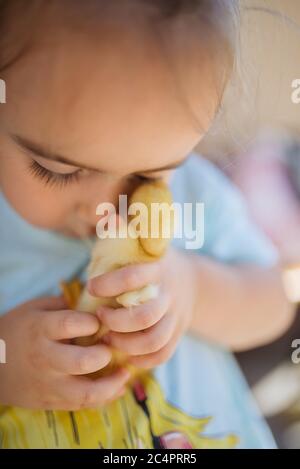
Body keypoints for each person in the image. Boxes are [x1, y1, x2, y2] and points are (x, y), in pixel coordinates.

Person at [0, 0, 294, 448]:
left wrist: (194, 289)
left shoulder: (192, 191)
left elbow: (274, 301)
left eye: (147, 175)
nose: (106, 211)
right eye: (56, 171)